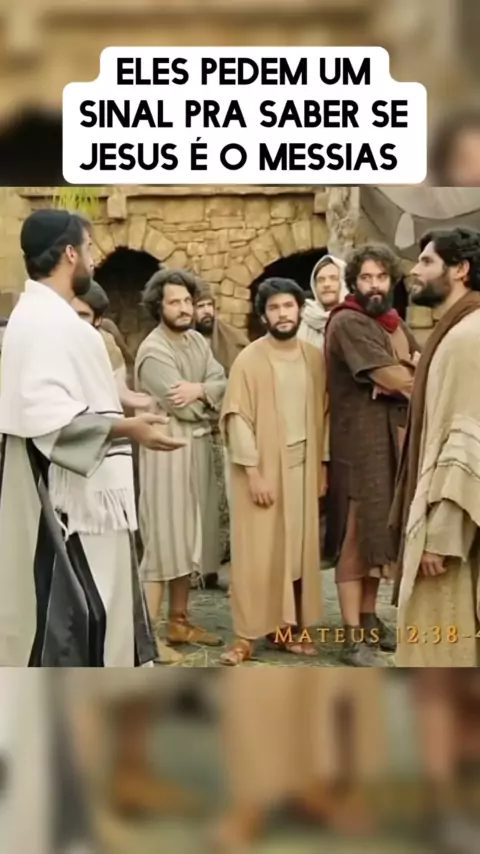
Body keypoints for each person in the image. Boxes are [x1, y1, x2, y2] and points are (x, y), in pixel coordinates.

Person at [0, 208, 186, 667]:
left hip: (72, 493)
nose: (92, 258)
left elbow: (57, 392)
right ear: (69, 253)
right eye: (87, 248)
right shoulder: (50, 323)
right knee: (79, 619)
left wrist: (120, 400)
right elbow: (48, 416)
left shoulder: (39, 315)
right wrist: (129, 429)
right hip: (69, 503)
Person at [219, 277, 327, 666]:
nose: (283, 314)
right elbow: (237, 419)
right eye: (274, 308)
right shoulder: (249, 360)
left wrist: (323, 465)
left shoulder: (314, 358)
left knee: (295, 554)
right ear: (263, 315)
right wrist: (253, 473)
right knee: (256, 553)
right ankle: (245, 637)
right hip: (262, 470)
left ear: (300, 309)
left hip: (302, 469)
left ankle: (286, 629)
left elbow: (325, 414)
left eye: (289, 306)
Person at [325, 244, 421, 667]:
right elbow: (395, 376)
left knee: (379, 535)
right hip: (359, 445)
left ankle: (368, 620)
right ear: (354, 283)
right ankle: (350, 637)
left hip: (391, 442)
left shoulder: (394, 322)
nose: (374, 285)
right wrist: (400, 373)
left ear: (391, 280)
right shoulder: (347, 321)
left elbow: (419, 366)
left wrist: (405, 372)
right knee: (356, 538)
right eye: (366, 278)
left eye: (381, 277)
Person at [390, 227, 480, 667]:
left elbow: (466, 442)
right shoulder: (458, 331)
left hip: (453, 536)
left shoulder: (468, 338)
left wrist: (440, 538)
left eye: (427, 261)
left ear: (460, 269)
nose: (415, 270)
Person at [135, 268, 227, 654]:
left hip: (198, 452)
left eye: (188, 300)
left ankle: (179, 623)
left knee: (189, 538)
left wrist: (200, 389)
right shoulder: (153, 351)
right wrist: (207, 398)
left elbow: (223, 382)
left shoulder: (197, 343)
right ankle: (144, 639)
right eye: (174, 302)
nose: (185, 308)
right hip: (166, 453)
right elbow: (182, 408)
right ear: (158, 306)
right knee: (164, 542)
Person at [193, 281, 249, 589]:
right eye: (199, 306)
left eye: (208, 306)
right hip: (195, 429)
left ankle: (227, 566)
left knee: (226, 503)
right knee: (200, 504)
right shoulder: (186, 344)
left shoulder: (234, 341)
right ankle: (202, 568)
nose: (205, 312)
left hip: (225, 430)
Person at [72, 280, 154, 412]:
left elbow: (119, 386)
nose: (76, 321)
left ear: (98, 320)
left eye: (83, 315)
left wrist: (147, 402)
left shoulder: (106, 342)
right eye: (71, 313)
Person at [298, 253, 348, 350]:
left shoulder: (356, 317)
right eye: (321, 280)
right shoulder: (305, 317)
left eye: (333, 278)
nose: (326, 284)